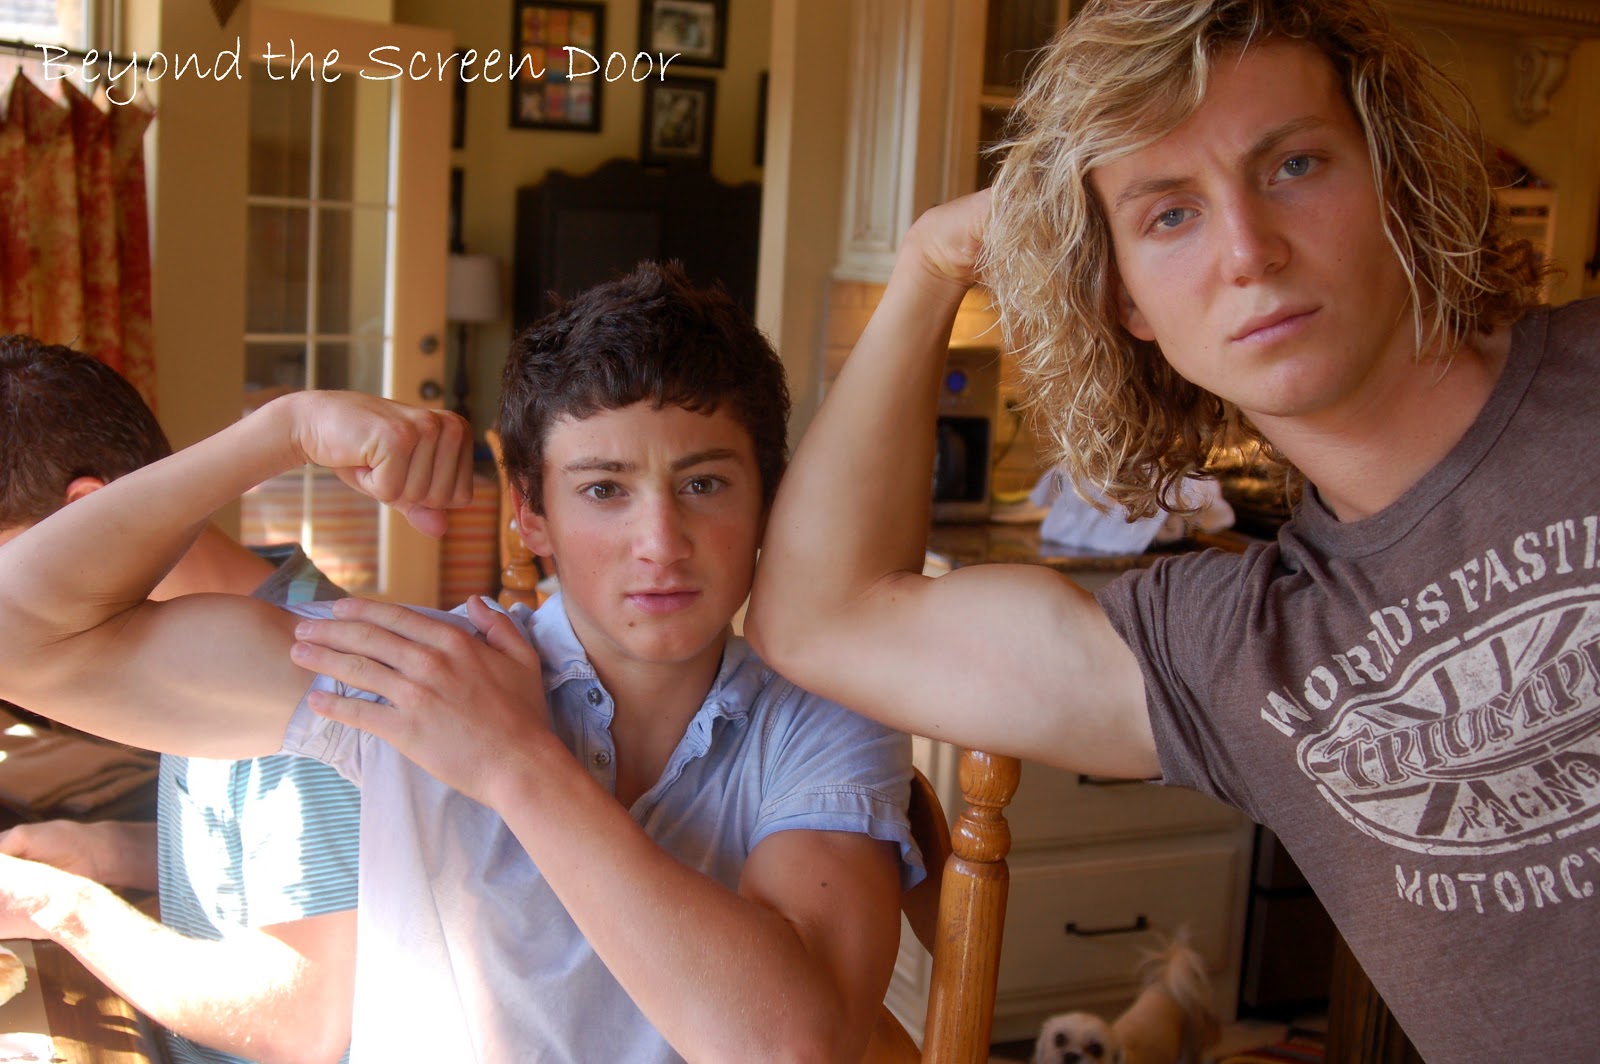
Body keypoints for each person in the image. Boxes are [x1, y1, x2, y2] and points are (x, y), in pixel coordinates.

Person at [742, 1, 1599, 1061]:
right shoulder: (1231, 657)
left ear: (1394, 177)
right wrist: (928, 263)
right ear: (1128, 302)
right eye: (1169, 215)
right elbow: (819, 618)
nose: (1249, 251)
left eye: (1293, 166)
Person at [0, 263, 918, 1062]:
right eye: (604, 489)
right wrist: (283, 432)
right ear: (530, 513)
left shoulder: (826, 715)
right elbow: (18, 638)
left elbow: (791, 1048)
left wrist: (518, 765)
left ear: (766, 500)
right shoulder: (420, 673)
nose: (660, 542)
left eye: (704, 483)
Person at [0, 336, 358, 1064]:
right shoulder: (193, 640)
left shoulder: (302, 687)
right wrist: (100, 851)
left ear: (84, 518)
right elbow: (260, 876)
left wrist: (58, 906)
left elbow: (305, 1024)